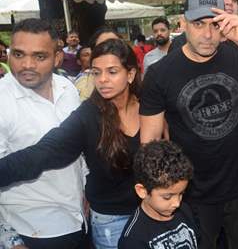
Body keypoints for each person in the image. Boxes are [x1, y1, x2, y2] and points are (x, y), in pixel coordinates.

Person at [140, 0, 238, 249]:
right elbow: (150, 141)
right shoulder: (159, 73)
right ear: (183, 23)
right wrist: (160, 193)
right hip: (192, 191)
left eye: (215, 24)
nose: (208, 34)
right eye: (199, 24)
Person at [0, 38, 143, 249]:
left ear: (130, 74)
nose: (102, 80)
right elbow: (43, 153)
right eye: (96, 72)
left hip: (153, 213)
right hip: (112, 222)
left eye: (112, 72)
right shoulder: (88, 115)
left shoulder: (150, 107)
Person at [0, 19, 86, 249]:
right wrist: (8, 239)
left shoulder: (67, 88)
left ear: (57, 58)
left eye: (39, 56)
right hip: (30, 230)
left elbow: (80, 150)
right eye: (18, 54)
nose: (27, 64)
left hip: (79, 219)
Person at [118, 141, 198, 249]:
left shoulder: (185, 210)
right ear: (142, 191)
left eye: (181, 193)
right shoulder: (133, 239)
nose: (177, 203)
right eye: (167, 197)